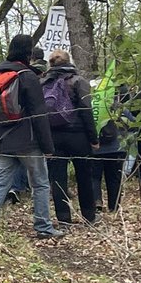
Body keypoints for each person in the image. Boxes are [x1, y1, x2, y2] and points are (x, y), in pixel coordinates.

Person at [0, 34, 63, 238]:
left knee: (0, 182)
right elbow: (39, 114)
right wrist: (48, 147)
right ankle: (43, 226)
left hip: (3, 138)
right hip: (28, 141)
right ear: (29, 52)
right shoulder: (28, 76)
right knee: (40, 183)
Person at [42, 50, 99, 225]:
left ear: (50, 64)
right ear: (69, 61)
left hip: (53, 136)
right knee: (84, 176)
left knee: (58, 179)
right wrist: (93, 138)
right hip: (78, 136)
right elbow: (86, 110)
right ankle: (89, 216)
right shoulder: (78, 81)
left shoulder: (43, 82)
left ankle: (63, 218)